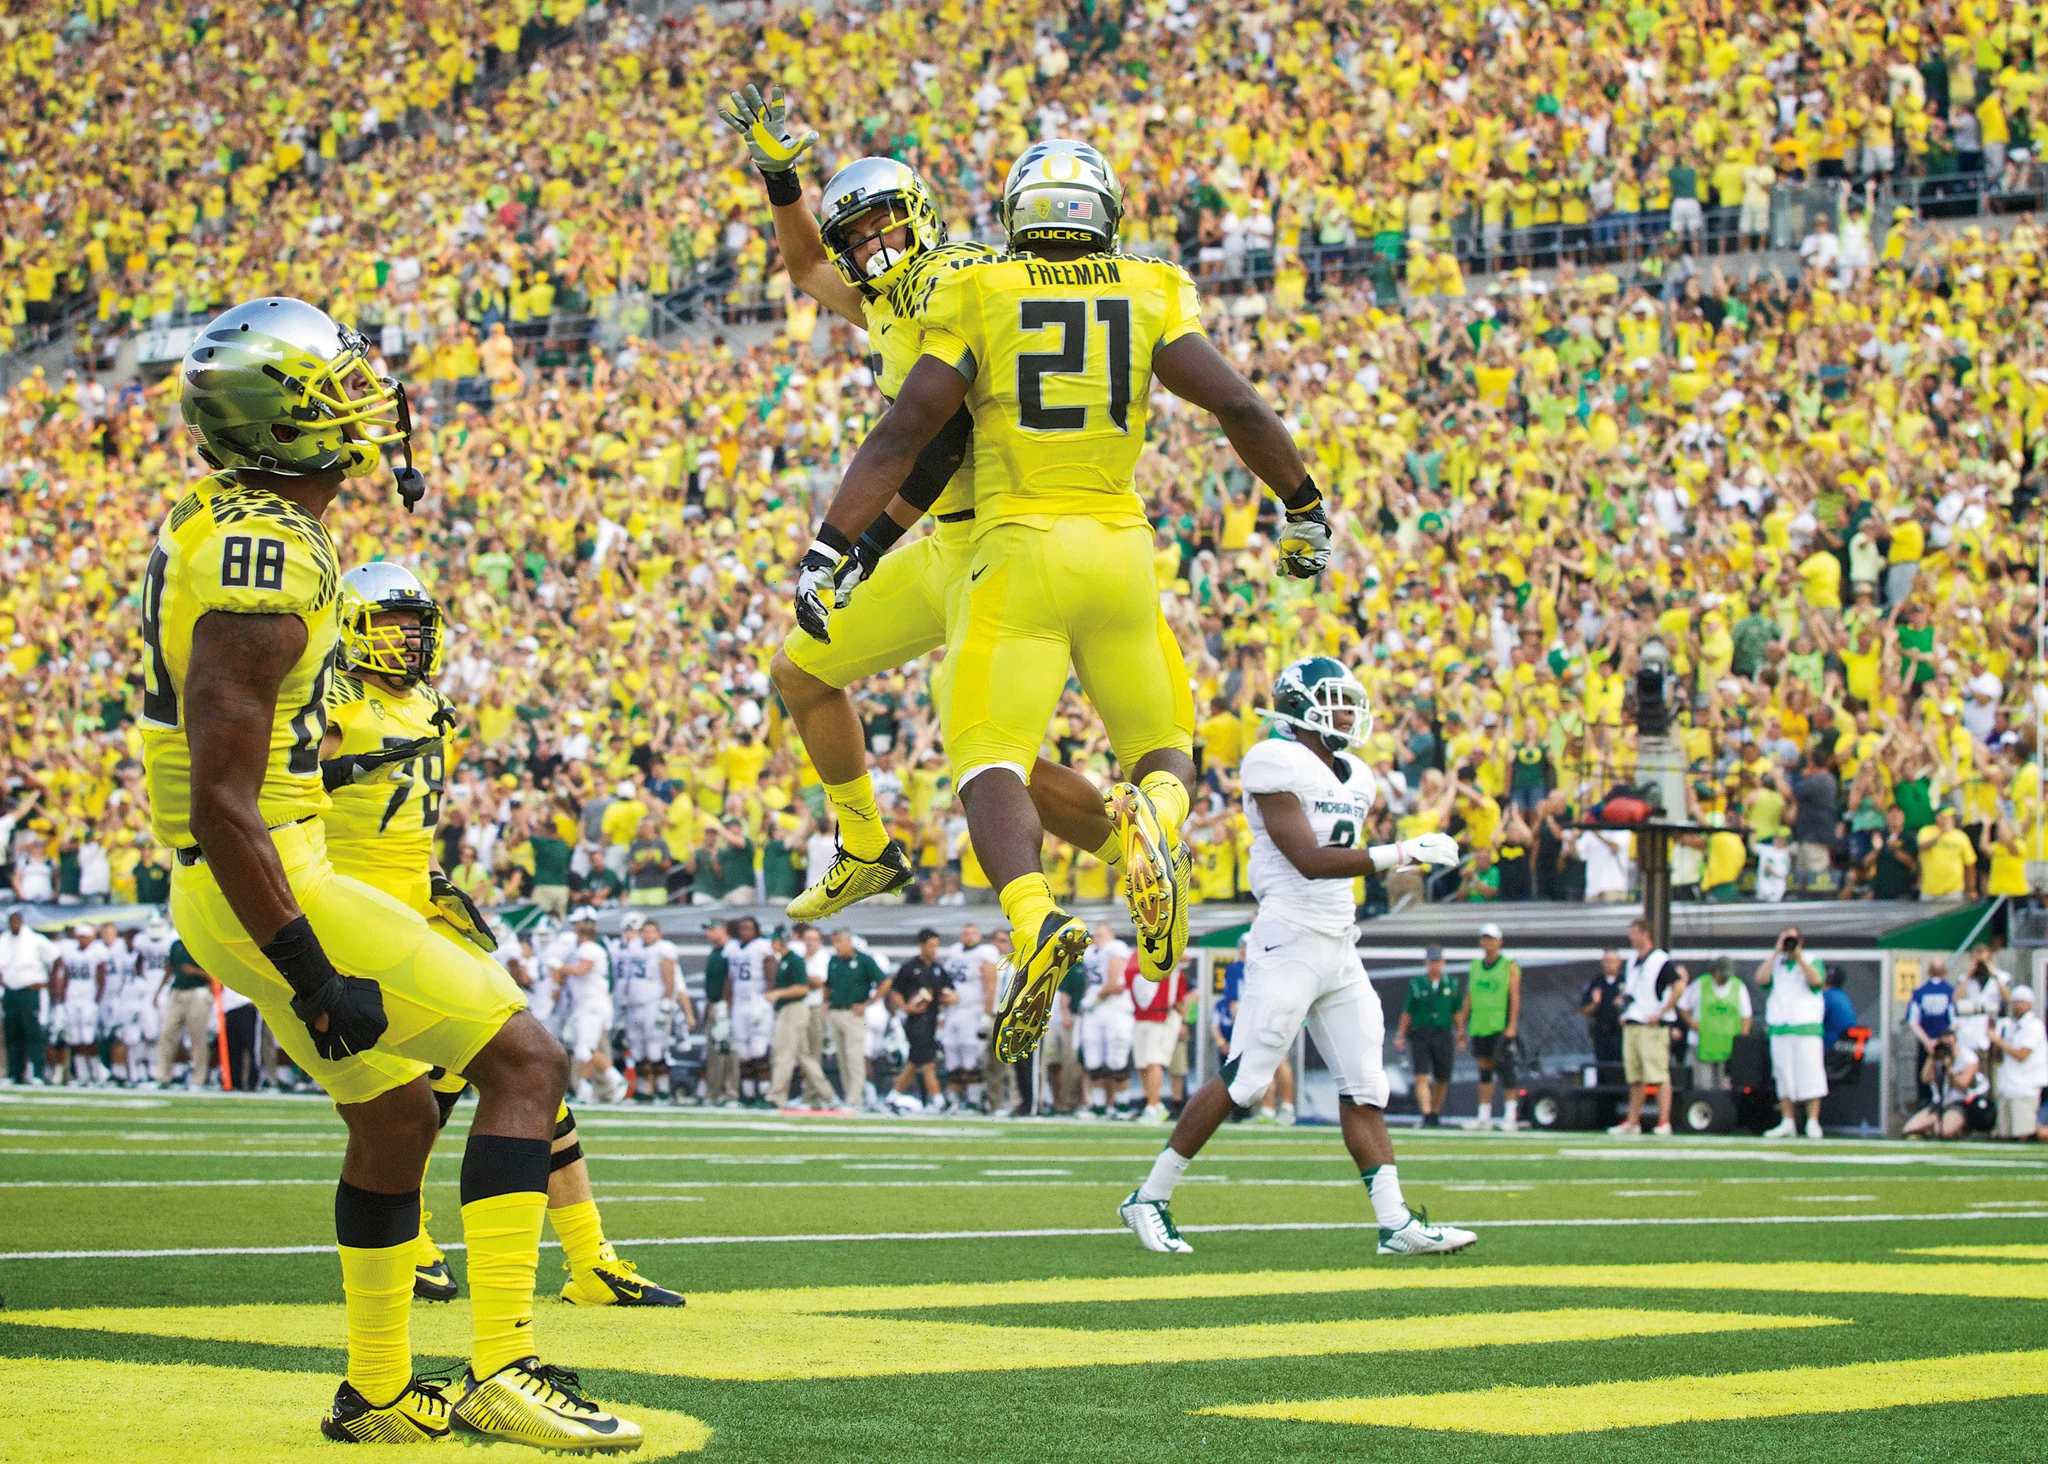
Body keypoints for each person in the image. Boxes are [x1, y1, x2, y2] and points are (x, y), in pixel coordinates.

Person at [148, 298, 636, 1447]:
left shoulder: (254, 523)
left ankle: (375, 1392)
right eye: (332, 385)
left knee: (398, 1121)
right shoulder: (257, 555)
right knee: (528, 1059)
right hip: (263, 870)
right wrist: (311, 968)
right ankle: (506, 1366)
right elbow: (226, 800)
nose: (364, 396)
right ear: (281, 421)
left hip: (251, 868)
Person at [804, 139, 1335, 1066]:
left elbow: (909, 433)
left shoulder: (979, 291)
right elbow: (1240, 406)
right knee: (1163, 746)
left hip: (1015, 548)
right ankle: (1155, 822)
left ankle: (1033, 916)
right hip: (1121, 549)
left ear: (1014, 218)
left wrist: (837, 542)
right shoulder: (1152, 287)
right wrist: (1302, 505)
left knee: (985, 758)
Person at [720, 92, 1132, 933]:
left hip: (999, 534)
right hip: (946, 541)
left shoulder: (953, 283)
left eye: (883, 229)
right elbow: (805, 268)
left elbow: (935, 442)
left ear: (922, 218)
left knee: (982, 752)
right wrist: (780, 178)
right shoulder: (894, 290)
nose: (872, 250)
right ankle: (866, 846)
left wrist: (859, 544)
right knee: (801, 672)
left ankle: (1133, 853)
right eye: (858, 239)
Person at [1117, 656, 1468, 1256]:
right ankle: (1149, 1198)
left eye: (1350, 702)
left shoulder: (1357, 774)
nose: (1348, 714)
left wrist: (1397, 855)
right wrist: (1403, 852)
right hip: (1289, 937)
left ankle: (1396, 1224)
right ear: (1301, 707)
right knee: (1248, 1078)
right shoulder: (1272, 759)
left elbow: (1339, 856)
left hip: (1340, 942)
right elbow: (1309, 858)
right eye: (1336, 701)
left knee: (1365, 1086)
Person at [1610, 918, 1685, 1135]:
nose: (1631, 938)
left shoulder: (1660, 960)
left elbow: (1678, 986)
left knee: (1658, 1073)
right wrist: (1624, 1010)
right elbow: (1631, 992)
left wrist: (1662, 1012)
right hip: (1633, 1022)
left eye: (1634, 933)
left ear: (1646, 934)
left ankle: (1664, 1121)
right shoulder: (1633, 961)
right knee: (1635, 1076)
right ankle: (1633, 1121)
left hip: (1652, 1025)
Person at [1758, 926, 1829, 1139]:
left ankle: (1813, 1122)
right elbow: (1760, 979)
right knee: (1783, 1075)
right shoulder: (1777, 964)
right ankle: (1787, 1121)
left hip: (1805, 1027)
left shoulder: (1811, 959)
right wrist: (1775, 952)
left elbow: (1817, 981)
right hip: (1780, 1027)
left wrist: (1799, 958)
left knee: (1810, 1074)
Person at [884, 928, 954, 1112]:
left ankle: (892, 1098)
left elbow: (950, 992)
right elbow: (896, 991)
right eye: (931, 946)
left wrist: (949, 998)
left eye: (936, 946)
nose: (934, 950)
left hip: (931, 1020)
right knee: (928, 1061)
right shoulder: (909, 968)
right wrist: (906, 1007)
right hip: (915, 1020)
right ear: (921, 945)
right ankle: (940, 1102)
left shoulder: (938, 969)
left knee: (916, 1062)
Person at [1459, 921, 1521, 1130]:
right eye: (1485, 939)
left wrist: (1511, 1025)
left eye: (1492, 939)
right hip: (1480, 1024)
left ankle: (1510, 1115)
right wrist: (1462, 1025)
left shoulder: (1508, 965)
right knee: (1484, 1069)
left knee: (1505, 1068)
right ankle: (1483, 1115)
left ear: (1499, 941)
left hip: (1499, 1024)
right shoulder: (1475, 966)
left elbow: (1514, 996)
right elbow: (1469, 996)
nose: (1488, 943)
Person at [767, 925, 835, 1109]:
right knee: (804, 1055)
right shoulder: (789, 959)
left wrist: (778, 993)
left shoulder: (794, 960)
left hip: (795, 1009)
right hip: (793, 1009)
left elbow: (803, 987)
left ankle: (776, 1096)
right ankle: (827, 1095)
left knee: (784, 1053)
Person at [1395, 945, 1462, 1127]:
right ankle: (1426, 1113)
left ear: (1443, 962)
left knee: (1442, 1076)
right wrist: (1401, 1034)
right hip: (1421, 1032)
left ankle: (1435, 1111)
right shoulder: (1417, 984)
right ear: (1426, 962)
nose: (1435, 965)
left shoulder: (1451, 984)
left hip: (1442, 1032)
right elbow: (1407, 1011)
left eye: (1438, 961)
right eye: (1432, 961)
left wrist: (1461, 1032)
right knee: (1421, 1075)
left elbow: (1456, 1011)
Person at [823, 928, 886, 1109]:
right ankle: (849, 1095)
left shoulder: (864, 961)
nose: (836, 946)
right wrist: (824, 1001)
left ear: (849, 942)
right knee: (842, 1057)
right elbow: (829, 985)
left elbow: (884, 982)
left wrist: (868, 1002)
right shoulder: (833, 961)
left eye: (839, 942)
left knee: (855, 1056)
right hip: (835, 1011)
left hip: (854, 1013)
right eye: (834, 942)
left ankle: (855, 1098)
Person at [1, 908, 59, 1084]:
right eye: (11, 920)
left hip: (30, 991)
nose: (14, 924)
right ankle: (15, 1073)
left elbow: (56, 958)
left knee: (34, 1034)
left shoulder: (35, 939)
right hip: (11, 992)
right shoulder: (3, 940)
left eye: (17, 920)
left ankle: (38, 1073)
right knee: (13, 1033)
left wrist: (49, 983)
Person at [1677, 955, 1753, 1089]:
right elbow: (1683, 1006)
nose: (1725, 978)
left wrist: (1741, 1045)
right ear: (1714, 972)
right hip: (1701, 1045)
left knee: (1724, 1088)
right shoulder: (1700, 984)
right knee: (1702, 1087)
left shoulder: (1738, 987)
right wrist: (1692, 1024)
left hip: (1727, 1048)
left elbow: (1746, 1017)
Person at [1132, 953, 1190, 1123]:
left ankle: (1152, 1106)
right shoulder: (1139, 952)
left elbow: (1184, 958)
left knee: (1153, 1061)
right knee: (1141, 1063)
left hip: (1163, 1015)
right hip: (1143, 1015)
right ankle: (1154, 1104)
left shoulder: (1167, 947)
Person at [1903, 1032, 1993, 1139]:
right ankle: (1929, 1133)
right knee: (1909, 1130)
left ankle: (1956, 1131)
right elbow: (1925, 1079)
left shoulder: (1967, 1057)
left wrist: (1950, 1068)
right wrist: (1931, 1057)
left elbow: (1962, 1084)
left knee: (1941, 1131)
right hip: (1939, 1104)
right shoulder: (1938, 1056)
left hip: (1961, 1105)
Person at [155, 934, 214, 1091]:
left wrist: (194, 971)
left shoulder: (202, 944)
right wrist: (158, 991)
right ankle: (163, 1076)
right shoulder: (176, 945)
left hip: (197, 993)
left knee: (198, 1038)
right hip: (177, 992)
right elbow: (170, 968)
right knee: (166, 1034)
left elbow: (213, 975)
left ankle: (198, 1080)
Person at [1990, 986, 2045, 1140]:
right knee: (2004, 1135)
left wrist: (1998, 1041)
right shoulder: (2008, 1025)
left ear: (2029, 1004)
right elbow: (1998, 1058)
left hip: (2025, 1086)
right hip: (2007, 1085)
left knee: (2025, 1134)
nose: (2017, 1006)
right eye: (2015, 1002)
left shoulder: (2034, 1026)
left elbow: (2021, 1054)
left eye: (2021, 1002)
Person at [1579, 949, 1627, 1065]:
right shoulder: (1597, 982)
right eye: (1606, 961)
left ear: (1619, 963)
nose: (1609, 964)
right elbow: (1585, 1010)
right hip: (1602, 1035)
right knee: (1603, 1068)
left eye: (1612, 961)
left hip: (1622, 1035)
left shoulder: (1625, 981)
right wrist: (1595, 1003)